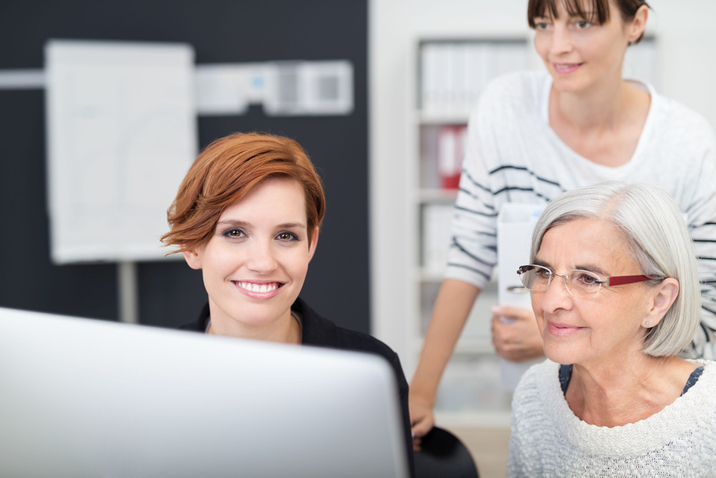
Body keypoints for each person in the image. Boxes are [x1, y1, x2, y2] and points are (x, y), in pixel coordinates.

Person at [409, 0, 716, 449]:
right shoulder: (504, 108)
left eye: (582, 22)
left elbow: (706, 311)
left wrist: (564, 335)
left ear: (636, 24)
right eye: (543, 23)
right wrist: (421, 391)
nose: (557, 46)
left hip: (658, 412)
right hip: (553, 401)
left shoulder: (685, 144)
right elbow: (469, 256)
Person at [161, 132, 415, 477]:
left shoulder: (369, 370)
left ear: (310, 244)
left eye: (286, 236)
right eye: (235, 232)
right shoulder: (158, 374)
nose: (263, 262)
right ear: (193, 245)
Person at [507, 181, 716, 476]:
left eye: (588, 279)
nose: (550, 302)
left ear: (658, 300)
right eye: (543, 273)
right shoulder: (535, 395)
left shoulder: (710, 417)